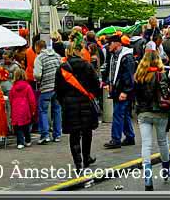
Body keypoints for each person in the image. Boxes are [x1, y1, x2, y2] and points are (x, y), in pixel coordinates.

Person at [55, 32, 99, 172]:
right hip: (86, 103)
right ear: (79, 51)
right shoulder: (87, 66)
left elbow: (58, 90)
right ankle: (86, 158)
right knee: (87, 132)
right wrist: (91, 95)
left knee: (74, 135)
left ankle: (78, 163)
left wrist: (64, 102)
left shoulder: (62, 68)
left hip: (69, 105)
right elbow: (96, 85)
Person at [134, 50, 170, 191]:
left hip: (144, 113)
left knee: (146, 145)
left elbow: (135, 96)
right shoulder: (161, 75)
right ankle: (166, 172)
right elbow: (165, 93)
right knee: (163, 142)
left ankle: (148, 181)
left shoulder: (139, 75)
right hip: (160, 113)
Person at [103, 35, 136, 149]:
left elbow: (129, 76)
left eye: (110, 43)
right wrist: (108, 82)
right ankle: (130, 137)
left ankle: (116, 139)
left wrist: (125, 91)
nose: (108, 46)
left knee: (118, 114)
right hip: (117, 90)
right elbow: (110, 71)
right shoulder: (114, 56)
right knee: (124, 114)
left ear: (117, 43)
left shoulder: (126, 57)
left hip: (122, 91)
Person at [33, 39, 63, 144]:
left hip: (46, 88)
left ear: (37, 47)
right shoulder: (57, 56)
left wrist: (38, 80)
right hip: (58, 88)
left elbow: (37, 74)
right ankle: (57, 134)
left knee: (43, 110)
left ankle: (45, 135)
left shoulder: (39, 58)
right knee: (57, 110)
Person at [9, 68, 37, 149]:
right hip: (25, 108)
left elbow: (11, 98)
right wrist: (33, 110)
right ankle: (28, 140)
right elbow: (32, 100)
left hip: (15, 108)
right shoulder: (28, 86)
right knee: (26, 126)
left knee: (18, 127)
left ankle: (20, 142)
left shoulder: (13, 87)